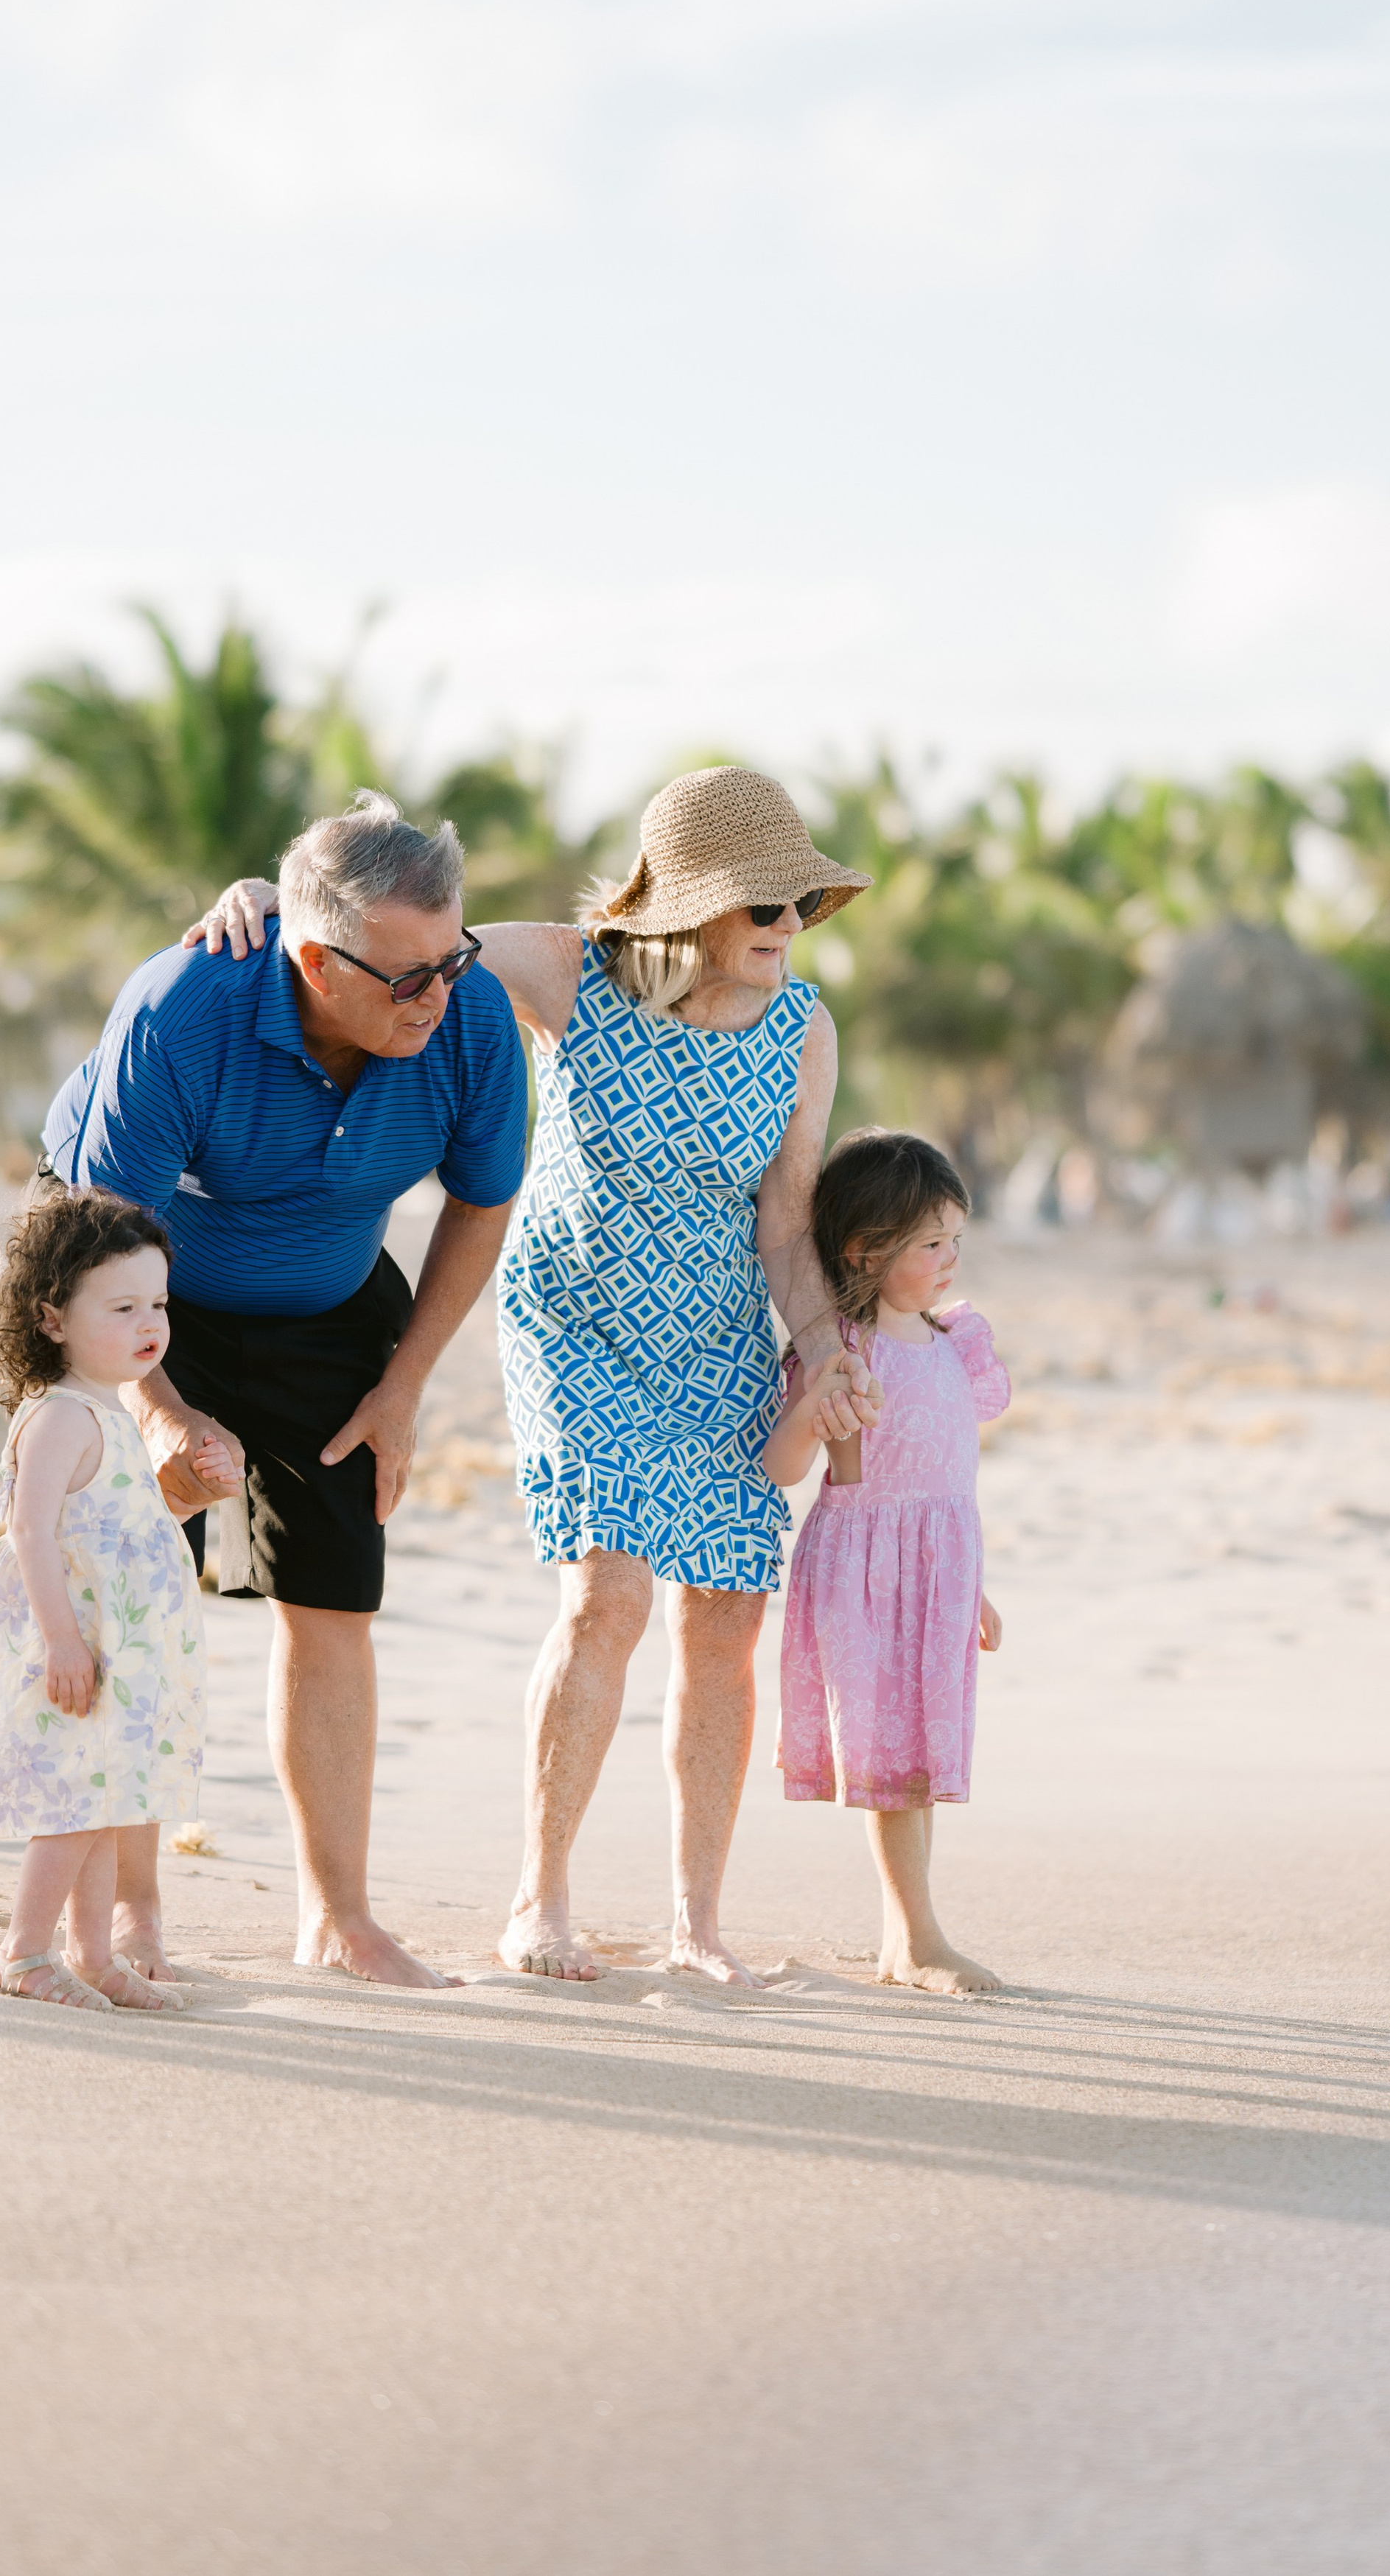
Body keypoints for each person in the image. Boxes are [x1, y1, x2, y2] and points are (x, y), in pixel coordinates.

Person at [193, 765, 881, 1989]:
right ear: (686, 908)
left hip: (718, 1337)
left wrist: (822, 1345)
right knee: (604, 1599)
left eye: (798, 904)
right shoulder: (573, 975)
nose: (789, 926)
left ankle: (695, 1922)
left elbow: (786, 1223)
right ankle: (539, 1902)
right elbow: (401, 944)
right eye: (762, 905)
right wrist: (271, 896)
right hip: (577, 1325)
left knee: (722, 1622)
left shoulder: (803, 1030)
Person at [49, 792, 527, 1991]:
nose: (440, 993)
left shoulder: (465, 1019)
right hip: (137, 1289)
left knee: (331, 1596)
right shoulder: (184, 1008)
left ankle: (338, 1919)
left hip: (327, 1299)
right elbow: (100, 1236)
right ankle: (104, 1911)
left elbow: (481, 1203)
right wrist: (161, 1413)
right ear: (315, 960)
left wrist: (405, 1386)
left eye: (453, 959)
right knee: (130, 1570)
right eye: (407, 975)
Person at [0, 1186, 217, 2012]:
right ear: (53, 1317)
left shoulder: (113, 1409)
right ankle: (23, 1952)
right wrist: (63, 1641)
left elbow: (120, 1525)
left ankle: (93, 1954)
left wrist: (195, 1495)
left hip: (119, 1649)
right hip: (76, 1648)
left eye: (159, 1303)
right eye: (124, 1305)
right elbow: (28, 1532)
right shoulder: (61, 1414)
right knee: (71, 1803)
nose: (150, 1324)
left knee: (109, 1799)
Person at [762, 1128, 1011, 1996]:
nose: (950, 1256)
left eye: (954, 1237)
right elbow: (785, 1466)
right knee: (892, 1761)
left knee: (919, 1760)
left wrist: (972, 1588)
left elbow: (951, 1475)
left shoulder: (953, 1340)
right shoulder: (840, 1347)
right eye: (930, 1242)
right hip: (863, 1571)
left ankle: (910, 1933)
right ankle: (914, 1935)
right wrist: (811, 1413)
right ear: (866, 1250)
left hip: (938, 1570)